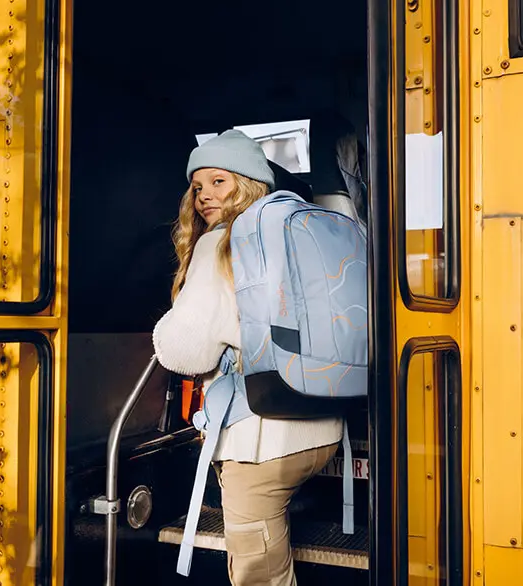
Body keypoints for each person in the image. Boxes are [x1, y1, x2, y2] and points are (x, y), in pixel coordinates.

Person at [152, 129, 343, 585]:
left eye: (218, 181)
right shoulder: (300, 232)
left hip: (261, 443)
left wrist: (162, 329)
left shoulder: (220, 242)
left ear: (248, 181)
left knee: (261, 576)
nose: (203, 196)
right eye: (197, 186)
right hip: (323, 427)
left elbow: (186, 349)